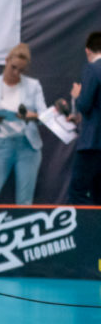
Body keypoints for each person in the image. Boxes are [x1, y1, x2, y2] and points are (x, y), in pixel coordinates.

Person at [0, 43, 46, 205]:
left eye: (21, 70)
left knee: (24, 202)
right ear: (6, 61)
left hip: (28, 147)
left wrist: (30, 116)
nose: (16, 73)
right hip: (0, 146)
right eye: (13, 67)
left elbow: (44, 116)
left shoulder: (33, 85)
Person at [66, 31, 101, 204]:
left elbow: (85, 104)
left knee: (77, 193)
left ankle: (87, 231)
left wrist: (77, 95)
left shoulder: (92, 69)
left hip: (92, 144)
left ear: (88, 51)